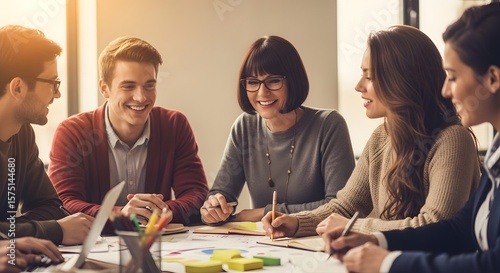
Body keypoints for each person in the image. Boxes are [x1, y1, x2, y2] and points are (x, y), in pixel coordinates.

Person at [322, 3, 500, 273]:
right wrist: (377, 239)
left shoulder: (453, 139)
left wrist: (387, 262)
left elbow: (491, 262)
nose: (445, 90)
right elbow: (460, 227)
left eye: (452, 77)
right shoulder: (496, 154)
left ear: (493, 78)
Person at [262, 25, 481, 238]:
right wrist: (298, 222)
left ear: (401, 80)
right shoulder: (381, 136)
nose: (359, 86)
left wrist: (354, 227)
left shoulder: (452, 140)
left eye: (369, 76)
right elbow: (347, 206)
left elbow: (434, 226)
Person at [48, 36, 209, 226]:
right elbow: (63, 204)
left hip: (157, 246)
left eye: (149, 85)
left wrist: (166, 212)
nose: (141, 97)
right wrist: (120, 215)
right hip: (95, 249)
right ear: (104, 89)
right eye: (128, 86)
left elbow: (197, 194)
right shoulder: (72, 132)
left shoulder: (174, 125)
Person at [201, 35, 356, 224]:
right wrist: (214, 206)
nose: (262, 93)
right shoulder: (244, 127)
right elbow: (223, 192)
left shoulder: (329, 125)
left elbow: (340, 207)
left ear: (293, 81)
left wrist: (265, 212)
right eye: (252, 82)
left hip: (316, 243)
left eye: (273, 81)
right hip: (263, 244)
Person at [0, 25, 93, 246]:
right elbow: (54, 223)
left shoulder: (22, 134)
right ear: (18, 88)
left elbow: (52, 207)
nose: (58, 93)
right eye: (52, 83)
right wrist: (52, 231)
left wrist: (11, 233)